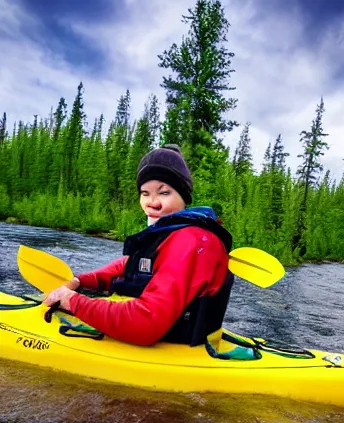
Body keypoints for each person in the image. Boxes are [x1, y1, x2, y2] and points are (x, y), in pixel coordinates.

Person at [43, 144, 233, 346]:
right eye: (145, 193)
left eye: (164, 192)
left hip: (175, 346)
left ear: (183, 196)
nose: (152, 202)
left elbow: (147, 322)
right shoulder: (171, 233)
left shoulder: (190, 240)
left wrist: (74, 302)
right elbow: (129, 267)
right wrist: (78, 281)